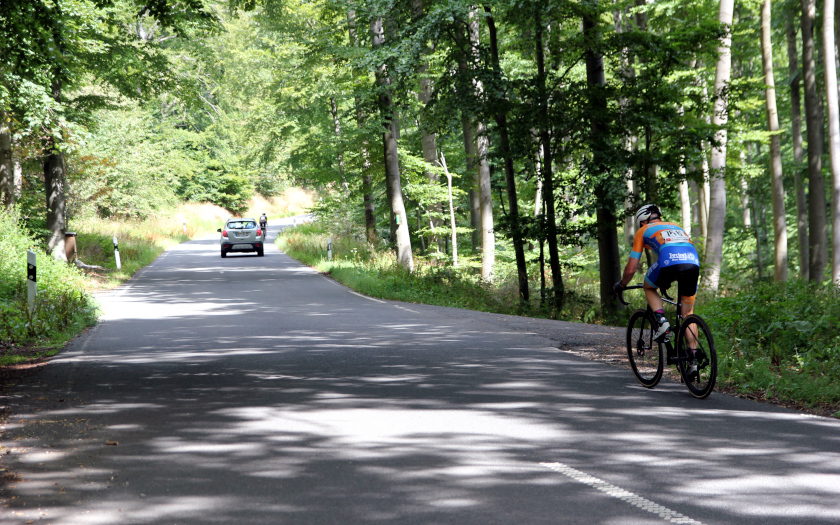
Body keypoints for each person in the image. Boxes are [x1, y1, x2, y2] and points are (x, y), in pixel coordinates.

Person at [613, 204, 701, 372]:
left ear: (641, 222)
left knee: (648, 287)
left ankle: (661, 322)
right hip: (693, 263)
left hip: (669, 262)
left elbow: (631, 269)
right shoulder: (675, 226)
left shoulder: (642, 231)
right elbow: (681, 257)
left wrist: (622, 285)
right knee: (687, 314)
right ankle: (693, 359)